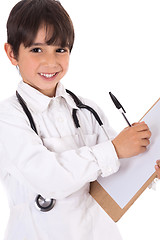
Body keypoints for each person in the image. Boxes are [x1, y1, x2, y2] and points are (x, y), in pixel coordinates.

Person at [0, 0, 151, 239]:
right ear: (12, 53)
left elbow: (117, 168)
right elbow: (49, 178)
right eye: (37, 49)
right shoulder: (8, 117)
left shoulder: (86, 109)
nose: (51, 61)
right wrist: (114, 149)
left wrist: (148, 167)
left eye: (61, 49)